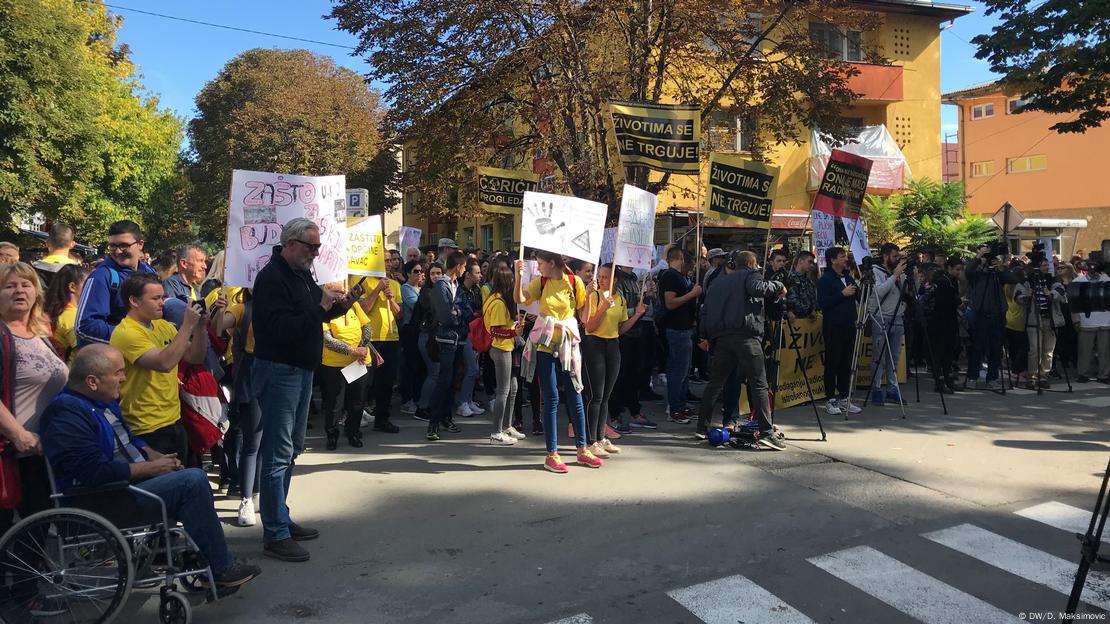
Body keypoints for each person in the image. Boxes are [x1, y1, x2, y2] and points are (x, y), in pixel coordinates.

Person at [40, 344, 261, 588]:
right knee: (193, 481)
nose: (124, 378)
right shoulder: (67, 415)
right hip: (101, 500)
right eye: (118, 373)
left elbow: (131, 440)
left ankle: (209, 556)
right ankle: (220, 567)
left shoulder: (101, 401)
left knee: (186, 474)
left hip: (126, 486)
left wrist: (157, 458)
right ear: (92, 381)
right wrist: (150, 469)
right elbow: (92, 473)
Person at [251, 218, 351, 562]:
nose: (316, 253)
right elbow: (284, 328)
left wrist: (343, 302)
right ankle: (275, 532)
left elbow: (315, 316)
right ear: (290, 244)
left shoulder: (301, 274)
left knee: (291, 448)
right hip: (280, 370)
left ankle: (281, 516)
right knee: (278, 452)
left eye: (318, 246)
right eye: (311, 246)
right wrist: (321, 306)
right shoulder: (271, 278)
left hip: (300, 370)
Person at [515, 251, 605, 473]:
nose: (538, 267)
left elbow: (583, 317)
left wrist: (591, 295)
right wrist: (518, 276)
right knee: (552, 397)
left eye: (541, 263)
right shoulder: (540, 282)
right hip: (545, 346)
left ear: (552, 263)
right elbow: (520, 299)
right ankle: (552, 454)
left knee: (576, 394)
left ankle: (582, 449)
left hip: (569, 345)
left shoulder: (574, 282)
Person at [0, 263, 68, 535]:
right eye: (9, 285)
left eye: (26, 284)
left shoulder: (41, 332)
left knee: (32, 540)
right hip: (12, 453)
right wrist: (19, 435)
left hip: (39, 455)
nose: (20, 291)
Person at [109, 273, 207, 459]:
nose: (162, 303)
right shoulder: (126, 333)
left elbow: (195, 357)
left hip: (175, 421)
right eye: (155, 298)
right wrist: (187, 325)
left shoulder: (163, 326)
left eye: (162, 297)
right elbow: (164, 363)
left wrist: (201, 327)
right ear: (134, 301)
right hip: (146, 427)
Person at [695, 251, 787, 450]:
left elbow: (706, 310)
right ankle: (766, 431)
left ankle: (701, 427)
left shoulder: (718, 282)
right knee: (759, 384)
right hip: (745, 335)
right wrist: (778, 285)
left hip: (722, 338)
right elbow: (756, 289)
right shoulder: (751, 274)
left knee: (715, 383)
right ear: (752, 264)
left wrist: (704, 335)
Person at [582, 263, 647, 457]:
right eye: (599, 276)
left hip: (613, 345)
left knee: (606, 396)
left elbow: (620, 329)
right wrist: (602, 307)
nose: (601, 280)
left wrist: (637, 315)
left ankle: (601, 437)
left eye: (605, 277)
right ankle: (590, 440)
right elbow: (590, 326)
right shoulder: (593, 296)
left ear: (614, 280)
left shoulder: (619, 298)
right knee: (596, 395)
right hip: (594, 345)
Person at [215, 289, 263, 527]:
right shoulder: (242, 307)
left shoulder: (280, 304)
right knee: (252, 443)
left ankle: (258, 492)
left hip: (275, 378)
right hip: (251, 378)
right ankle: (245, 499)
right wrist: (218, 308)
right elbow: (219, 327)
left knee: (267, 442)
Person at [76, 220, 156, 345]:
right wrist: (132, 337)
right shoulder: (101, 277)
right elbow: (85, 327)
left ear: (140, 244)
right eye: (113, 246)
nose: (118, 251)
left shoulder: (150, 273)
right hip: (112, 360)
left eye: (124, 245)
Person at [320, 284, 376, 449]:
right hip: (334, 365)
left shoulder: (355, 306)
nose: (342, 291)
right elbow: (327, 340)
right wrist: (353, 350)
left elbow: (367, 327)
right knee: (334, 404)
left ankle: (353, 432)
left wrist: (363, 347)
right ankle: (332, 435)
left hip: (357, 363)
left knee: (357, 401)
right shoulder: (325, 309)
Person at [608, 265, 657, 433]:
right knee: (619, 376)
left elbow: (638, 305)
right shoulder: (617, 278)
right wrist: (637, 310)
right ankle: (615, 415)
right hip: (622, 333)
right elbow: (618, 310)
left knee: (634, 374)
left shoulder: (634, 278)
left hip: (636, 331)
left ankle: (635, 411)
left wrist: (648, 298)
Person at [658, 246, 702, 424]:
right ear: (681, 259)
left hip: (684, 328)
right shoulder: (670, 276)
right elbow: (670, 303)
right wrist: (691, 294)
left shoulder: (680, 277)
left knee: (684, 370)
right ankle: (675, 408)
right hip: (677, 329)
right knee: (678, 370)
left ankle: (681, 404)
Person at [427, 252, 469, 440]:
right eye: (464, 266)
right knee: (443, 380)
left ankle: (446, 417)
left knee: (453, 381)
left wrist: (458, 311)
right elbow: (445, 317)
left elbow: (468, 310)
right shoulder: (440, 286)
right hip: (445, 340)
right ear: (458, 266)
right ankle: (433, 422)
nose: (465, 270)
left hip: (458, 339)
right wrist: (457, 316)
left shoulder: (457, 287)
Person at [964, 244, 1017, 389]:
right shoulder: (977, 273)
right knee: (977, 347)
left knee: (996, 348)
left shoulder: (997, 273)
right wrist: (978, 258)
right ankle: (972, 376)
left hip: (998, 314)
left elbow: (1012, 279)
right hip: (980, 313)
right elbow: (967, 271)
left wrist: (1000, 267)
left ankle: (992, 378)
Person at [483, 263, 523, 445]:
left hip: (506, 347)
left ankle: (507, 425)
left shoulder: (497, 299)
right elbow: (496, 331)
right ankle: (496, 432)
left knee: (512, 388)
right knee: (503, 391)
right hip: (501, 348)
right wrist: (515, 333)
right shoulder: (498, 302)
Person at [817, 247, 861, 415]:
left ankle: (844, 397)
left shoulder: (848, 277)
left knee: (846, 362)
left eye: (846, 256)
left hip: (849, 324)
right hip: (833, 326)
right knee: (832, 362)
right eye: (842, 256)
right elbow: (823, 303)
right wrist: (842, 294)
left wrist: (861, 284)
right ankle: (830, 398)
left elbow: (858, 295)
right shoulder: (825, 280)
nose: (845, 259)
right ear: (833, 260)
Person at [868, 243, 910, 407]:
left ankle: (893, 389)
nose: (897, 259)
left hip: (898, 317)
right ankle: (877, 389)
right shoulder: (875, 271)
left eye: (898, 257)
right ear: (885, 256)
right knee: (878, 357)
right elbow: (878, 292)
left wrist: (909, 276)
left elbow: (908, 293)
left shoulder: (899, 272)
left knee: (894, 357)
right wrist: (894, 276)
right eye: (894, 256)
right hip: (881, 317)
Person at [360, 273, 402, 434]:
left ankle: (382, 419)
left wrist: (390, 299)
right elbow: (363, 309)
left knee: (387, 382)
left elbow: (399, 314)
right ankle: (354, 421)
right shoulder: (361, 281)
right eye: (385, 260)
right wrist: (377, 290)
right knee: (364, 383)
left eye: (390, 261)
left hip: (391, 338)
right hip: (369, 339)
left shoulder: (394, 284)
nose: (388, 264)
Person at [1016, 257, 1067, 389]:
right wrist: (1027, 295)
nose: (1044, 268)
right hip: (1033, 320)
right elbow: (1018, 296)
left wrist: (1050, 294)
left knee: (1048, 351)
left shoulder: (1052, 279)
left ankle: (1043, 376)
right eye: (1042, 265)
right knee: (1034, 350)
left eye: (1046, 265)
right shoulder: (1027, 281)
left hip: (1050, 320)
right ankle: (1031, 377)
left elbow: (1061, 292)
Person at [925, 256, 964, 393]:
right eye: (957, 269)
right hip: (940, 322)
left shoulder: (952, 280)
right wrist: (959, 301)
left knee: (949, 352)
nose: (959, 272)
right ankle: (939, 382)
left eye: (960, 270)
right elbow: (942, 302)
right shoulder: (943, 281)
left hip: (950, 321)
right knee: (939, 353)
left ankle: (948, 379)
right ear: (949, 268)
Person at [414, 262, 444, 422]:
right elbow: (436, 310)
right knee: (434, 372)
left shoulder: (443, 289)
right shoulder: (427, 292)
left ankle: (428, 404)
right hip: (427, 337)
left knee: (435, 373)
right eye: (433, 273)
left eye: (439, 273)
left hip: (436, 337)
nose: (436, 276)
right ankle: (422, 407)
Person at [1072, 258, 1110, 383]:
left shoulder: (1107, 281)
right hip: (1086, 322)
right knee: (1084, 350)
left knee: (1105, 351)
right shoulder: (1077, 281)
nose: (1093, 271)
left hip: (1105, 321)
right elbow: (1073, 304)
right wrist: (1076, 320)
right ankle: (1083, 373)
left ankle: (1103, 375)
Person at [455, 259, 484, 417]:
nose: (480, 275)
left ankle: (468, 400)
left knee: (474, 369)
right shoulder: (459, 291)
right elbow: (464, 313)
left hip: (475, 333)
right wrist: (470, 314)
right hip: (464, 333)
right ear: (468, 274)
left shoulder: (476, 290)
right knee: (470, 369)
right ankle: (462, 402)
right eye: (477, 272)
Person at [44, 264, 89, 363]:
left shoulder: (53, 310)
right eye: (87, 284)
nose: (92, 289)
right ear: (72, 287)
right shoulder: (73, 316)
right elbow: (86, 351)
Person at [398, 260, 426, 414]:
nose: (420, 274)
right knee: (411, 366)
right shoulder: (406, 288)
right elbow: (416, 306)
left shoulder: (422, 289)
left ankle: (417, 396)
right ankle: (407, 400)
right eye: (416, 271)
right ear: (408, 274)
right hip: (410, 331)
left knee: (420, 366)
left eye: (421, 271)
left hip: (421, 331)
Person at [785, 251, 818, 320]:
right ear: (800, 261)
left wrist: (813, 310)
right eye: (809, 262)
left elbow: (813, 298)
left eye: (813, 263)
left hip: (809, 320)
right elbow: (787, 300)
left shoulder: (809, 281)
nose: (812, 265)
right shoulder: (789, 278)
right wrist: (789, 311)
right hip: (794, 320)